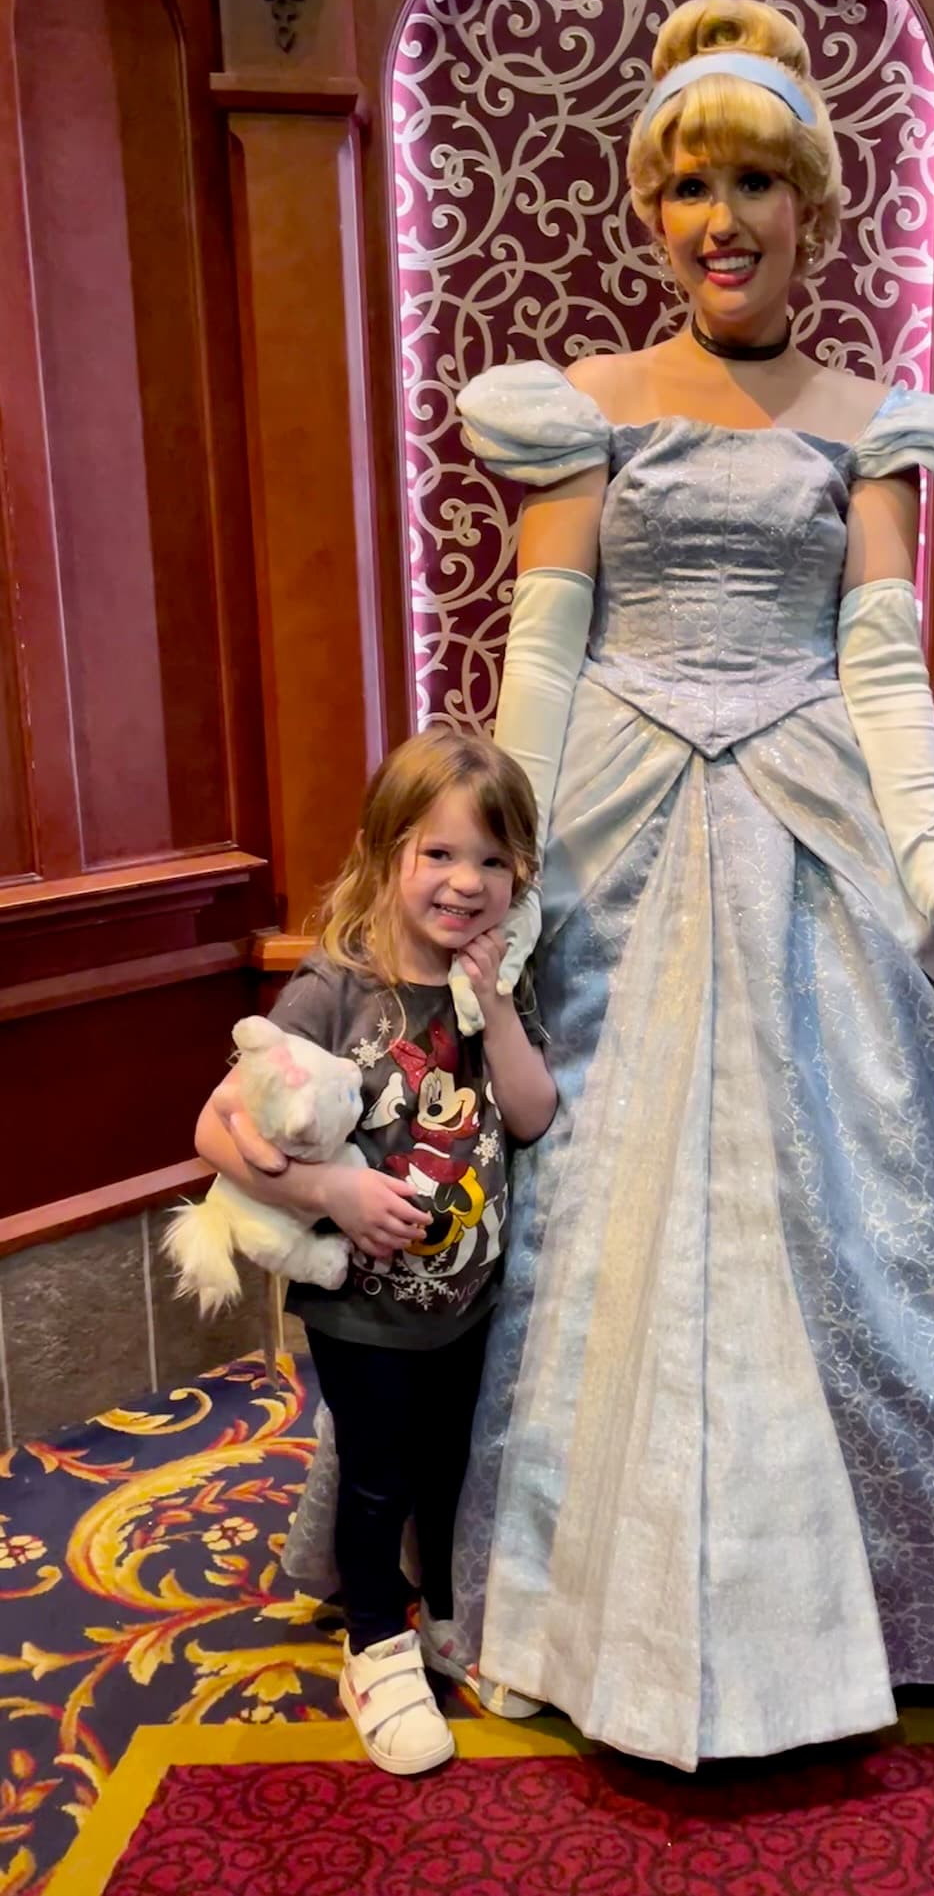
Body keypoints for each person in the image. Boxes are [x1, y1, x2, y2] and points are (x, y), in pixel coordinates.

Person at [357, 0, 934, 1772]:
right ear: (649, 210)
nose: (721, 219)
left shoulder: (874, 423)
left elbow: (886, 673)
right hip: (610, 794)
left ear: (813, 208)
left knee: (890, 1183)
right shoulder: (578, 409)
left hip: (813, 805)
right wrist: (503, 884)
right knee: (545, 1160)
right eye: (689, 186)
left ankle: (904, 1588)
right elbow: (540, 658)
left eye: (758, 180)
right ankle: (541, 1593)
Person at [196, 727, 557, 1775]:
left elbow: (530, 1117)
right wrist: (334, 1189)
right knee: (374, 1477)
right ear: (387, 854)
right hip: (364, 1307)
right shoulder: (334, 988)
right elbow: (214, 1129)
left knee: (449, 1467)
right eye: (439, 854)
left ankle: (443, 1618)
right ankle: (373, 1646)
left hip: (468, 1298)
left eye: (493, 861)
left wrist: (492, 1004)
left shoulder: (492, 984)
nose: (466, 882)